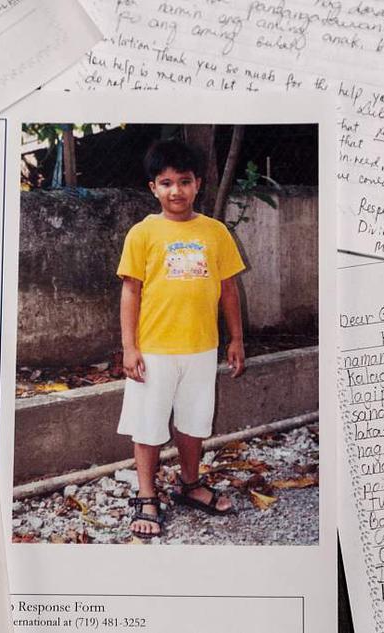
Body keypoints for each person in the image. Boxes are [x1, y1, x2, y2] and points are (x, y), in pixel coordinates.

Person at [116, 139, 246, 539]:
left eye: (184, 182)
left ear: (199, 184)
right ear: (153, 187)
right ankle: (146, 494)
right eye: (166, 182)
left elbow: (228, 289)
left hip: (202, 349)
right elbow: (131, 291)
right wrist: (129, 347)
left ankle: (191, 484)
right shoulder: (143, 233)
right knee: (149, 425)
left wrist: (236, 339)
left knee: (193, 422)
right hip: (154, 352)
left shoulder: (215, 232)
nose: (176, 191)